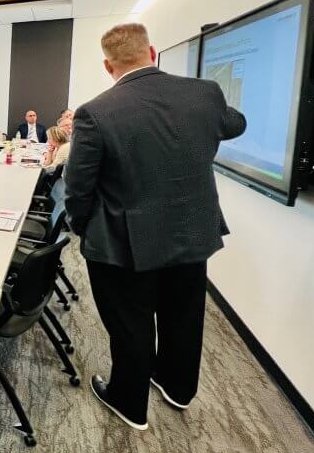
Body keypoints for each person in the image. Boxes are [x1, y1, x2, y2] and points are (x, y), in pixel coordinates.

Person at [65, 23, 246, 431]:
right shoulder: (204, 93)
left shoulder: (96, 112)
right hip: (191, 229)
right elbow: (235, 124)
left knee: (131, 322)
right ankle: (177, 387)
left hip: (123, 240)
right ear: (153, 52)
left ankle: (130, 402)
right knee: (184, 315)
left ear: (108, 65)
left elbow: (78, 188)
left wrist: (82, 226)